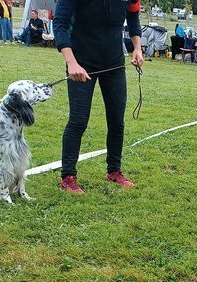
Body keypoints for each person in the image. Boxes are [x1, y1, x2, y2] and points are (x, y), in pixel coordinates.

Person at [53, 0, 144, 194]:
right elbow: (59, 24)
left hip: (114, 63)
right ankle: (68, 177)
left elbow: (134, 19)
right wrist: (71, 63)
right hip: (81, 62)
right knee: (78, 121)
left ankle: (114, 171)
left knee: (117, 121)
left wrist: (137, 48)